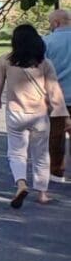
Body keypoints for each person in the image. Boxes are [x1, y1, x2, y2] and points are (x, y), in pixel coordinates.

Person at [0, 23, 66, 208]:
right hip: (39, 114)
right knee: (40, 154)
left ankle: (21, 184)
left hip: (15, 113)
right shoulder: (44, 63)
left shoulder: (5, 60)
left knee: (16, 152)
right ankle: (42, 193)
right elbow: (54, 90)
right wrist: (60, 112)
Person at [44, 9, 71, 178]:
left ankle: (56, 169)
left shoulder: (46, 42)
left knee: (56, 135)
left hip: (57, 96)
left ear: (56, 23)